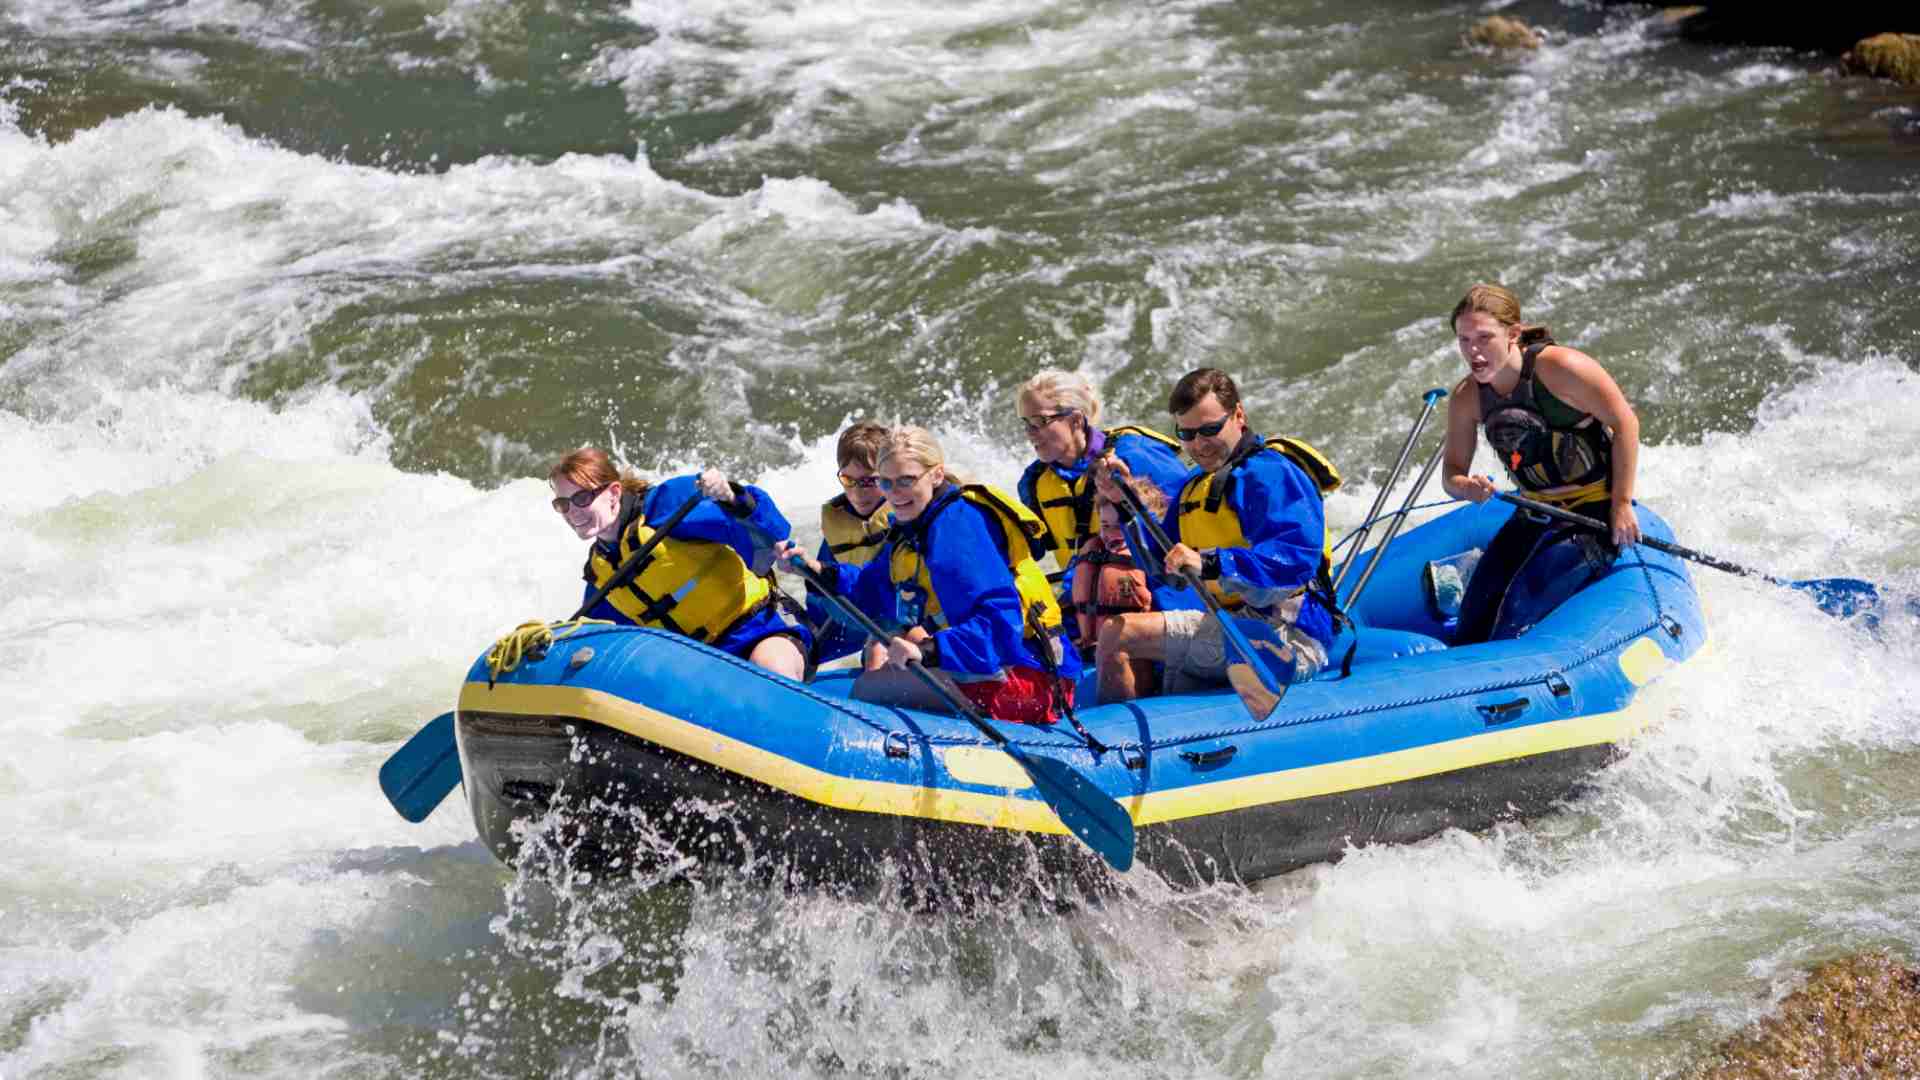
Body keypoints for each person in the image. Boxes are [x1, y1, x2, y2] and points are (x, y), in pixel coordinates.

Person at [779, 426, 1080, 725]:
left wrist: (929, 650)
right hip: (997, 666)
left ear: (936, 475)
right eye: (886, 482)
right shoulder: (913, 527)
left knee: (868, 688)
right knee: (889, 664)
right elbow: (873, 587)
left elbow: (1001, 621)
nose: (894, 493)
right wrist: (818, 570)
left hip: (1031, 679)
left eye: (906, 480)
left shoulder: (958, 526)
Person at [1096, 368, 1342, 703]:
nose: (1199, 444)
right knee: (1158, 673)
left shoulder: (1268, 473)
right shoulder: (1195, 485)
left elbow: (1294, 562)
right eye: (1187, 434)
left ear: (1238, 415)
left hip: (1287, 637)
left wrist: (1211, 563)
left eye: (1210, 429)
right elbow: (1162, 570)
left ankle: (1113, 734)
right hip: (1230, 625)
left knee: (1117, 634)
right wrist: (1123, 501)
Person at [1440, 283, 1642, 645]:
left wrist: (1622, 504)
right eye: (1464, 340)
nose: (1473, 351)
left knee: (1519, 611)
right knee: (1472, 624)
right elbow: (1451, 475)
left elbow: (1625, 423)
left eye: (1484, 338)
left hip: (1594, 512)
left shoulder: (1562, 368)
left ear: (1513, 334)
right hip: (1534, 511)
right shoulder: (1466, 397)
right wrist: (1467, 487)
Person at [549, 447, 810, 680]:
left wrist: (730, 496)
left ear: (614, 493)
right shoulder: (600, 573)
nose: (572, 512)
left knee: (768, 667)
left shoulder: (666, 506)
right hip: (701, 668)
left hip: (762, 630)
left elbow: (762, 529)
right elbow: (598, 640)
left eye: (581, 498)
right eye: (562, 504)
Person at [1015, 369, 1189, 574]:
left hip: (1159, 584)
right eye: (1026, 422)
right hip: (1086, 590)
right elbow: (1029, 552)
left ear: (1076, 420)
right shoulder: (1033, 482)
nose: (1029, 432)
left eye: (1040, 421)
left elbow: (1187, 527)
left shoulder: (1137, 455)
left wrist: (1131, 498)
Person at [1068, 478, 1199, 696]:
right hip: (1099, 653)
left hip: (1149, 658)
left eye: (1120, 527)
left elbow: (1176, 623)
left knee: (1118, 634)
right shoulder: (1092, 555)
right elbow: (1074, 604)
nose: (1112, 534)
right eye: (1105, 526)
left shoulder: (1159, 564)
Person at [805, 421, 892, 667]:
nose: (857, 493)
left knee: (876, 651)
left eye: (868, 481)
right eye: (848, 479)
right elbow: (822, 602)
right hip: (858, 619)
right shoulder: (840, 526)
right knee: (801, 648)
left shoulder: (906, 516)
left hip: (902, 622)